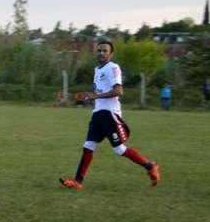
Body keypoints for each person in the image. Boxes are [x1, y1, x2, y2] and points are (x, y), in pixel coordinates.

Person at [60, 39, 160, 189]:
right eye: (99, 50)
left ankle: (150, 166)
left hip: (109, 114)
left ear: (111, 54)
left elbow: (118, 91)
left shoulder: (113, 67)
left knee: (119, 149)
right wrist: (89, 96)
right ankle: (77, 181)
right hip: (97, 114)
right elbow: (100, 92)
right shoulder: (97, 70)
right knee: (88, 146)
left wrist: (96, 96)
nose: (101, 53)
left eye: (105, 51)